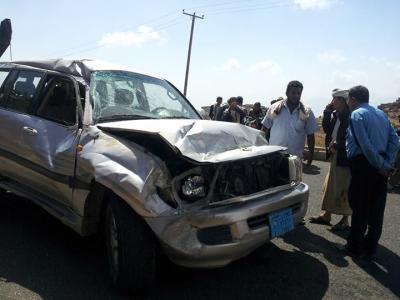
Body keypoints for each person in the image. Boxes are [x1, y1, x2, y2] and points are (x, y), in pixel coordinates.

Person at [337, 85, 400, 257]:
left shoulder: (357, 114)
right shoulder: (381, 114)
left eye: (348, 99)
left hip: (365, 165)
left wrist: (380, 165)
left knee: (359, 206)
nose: (348, 102)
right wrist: (387, 163)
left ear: (353, 99)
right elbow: (395, 141)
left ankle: (354, 246)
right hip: (380, 167)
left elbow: (365, 145)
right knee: (376, 209)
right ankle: (370, 247)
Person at [310, 89, 352, 230]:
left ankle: (345, 220)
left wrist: (338, 145)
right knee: (330, 186)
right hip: (335, 154)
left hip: (344, 156)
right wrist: (327, 113)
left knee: (342, 187)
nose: (332, 102)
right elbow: (328, 130)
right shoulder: (337, 114)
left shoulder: (349, 116)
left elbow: (349, 138)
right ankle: (327, 215)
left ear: (342, 101)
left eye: (335, 100)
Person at [261, 81, 319, 164]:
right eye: (293, 93)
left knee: (293, 177)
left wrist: (311, 156)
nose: (296, 96)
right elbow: (264, 128)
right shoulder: (275, 108)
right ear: (287, 93)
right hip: (274, 156)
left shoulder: (306, 111)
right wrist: (261, 151)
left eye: (299, 93)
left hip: (295, 159)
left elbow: (310, 135)